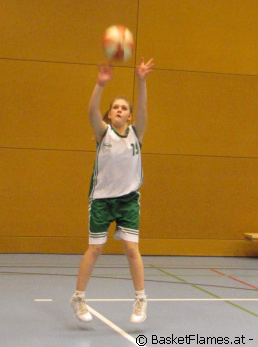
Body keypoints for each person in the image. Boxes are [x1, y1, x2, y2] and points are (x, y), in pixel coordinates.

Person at [70, 57, 154, 324]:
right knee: (95, 249)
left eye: (124, 108)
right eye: (115, 107)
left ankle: (141, 299)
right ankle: (78, 297)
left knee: (131, 249)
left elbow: (144, 108)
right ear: (109, 114)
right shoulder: (103, 133)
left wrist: (141, 81)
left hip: (128, 200)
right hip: (102, 201)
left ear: (129, 116)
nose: (119, 110)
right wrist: (100, 84)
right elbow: (90, 111)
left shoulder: (136, 134)